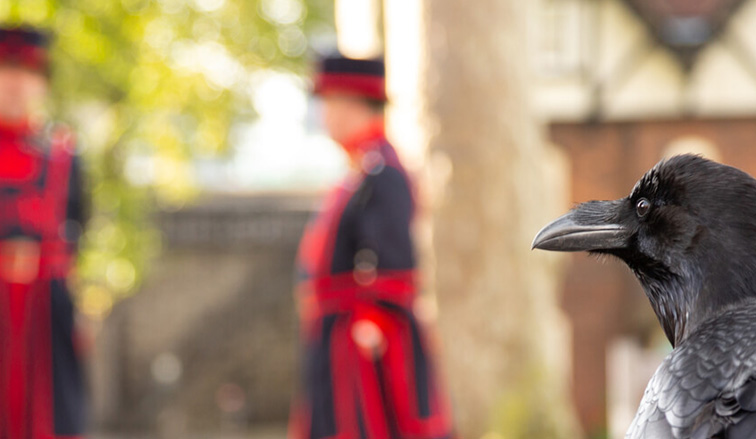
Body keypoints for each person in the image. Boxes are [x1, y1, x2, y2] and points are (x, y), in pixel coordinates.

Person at [289, 54, 454, 439]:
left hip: (362, 342)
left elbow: (394, 260)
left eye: (328, 104)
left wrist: (373, 319)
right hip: (335, 336)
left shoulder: (383, 171)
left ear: (350, 103)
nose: (324, 116)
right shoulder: (363, 168)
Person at [0, 26, 88, 438]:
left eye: (27, 73)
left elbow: (79, 231)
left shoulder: (63, 158)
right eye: (6, 70)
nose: (15, 83)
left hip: (45, 330)